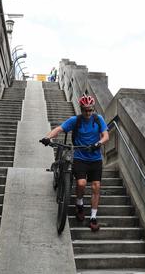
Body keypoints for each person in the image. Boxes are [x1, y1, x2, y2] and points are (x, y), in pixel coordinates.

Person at [40, 94, 109, 232]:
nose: (88, 113)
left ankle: (93, 217)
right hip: (80, 157)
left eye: (90, 110)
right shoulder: (75, 120)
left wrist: (98, 143)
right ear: (81, 109)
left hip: (95, 159)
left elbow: (106, 135)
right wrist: (47, 137)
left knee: (96, 187)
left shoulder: (98, 119)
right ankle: (79, 204)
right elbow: (59, 129)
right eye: (85, 110)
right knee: (81, 183)